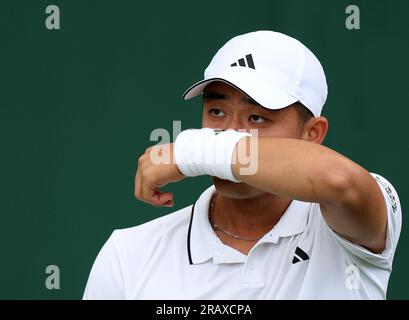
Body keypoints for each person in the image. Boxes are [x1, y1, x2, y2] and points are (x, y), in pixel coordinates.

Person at [83, 31, 402, 299]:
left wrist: (194, 150)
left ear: (312, 133)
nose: (229, 133)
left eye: (257, 117)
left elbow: (338, 180)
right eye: (217, 112)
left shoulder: (347, 224)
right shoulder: (128, 254)